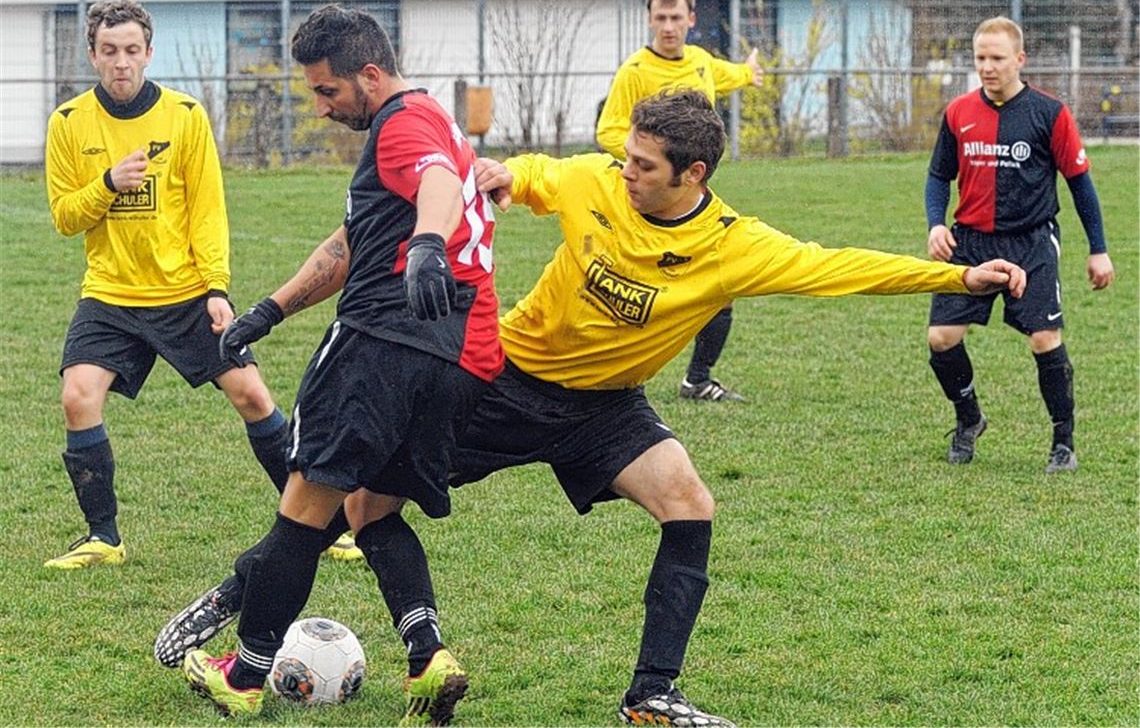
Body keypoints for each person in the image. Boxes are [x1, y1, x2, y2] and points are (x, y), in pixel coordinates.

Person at [159, 89, 1025, 727]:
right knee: (357, 505)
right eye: (625, 158)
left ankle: (651, 695)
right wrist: (494, 176)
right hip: (505, 383)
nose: (625, 173)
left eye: (643, 167)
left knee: (690, 501)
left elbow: (842, 266)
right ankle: (244, 598)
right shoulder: (595, 183)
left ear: (692, 174)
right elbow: (533, 176)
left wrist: (957, 276)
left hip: (607, 407)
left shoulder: (734, 247)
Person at [175, 4, 502, 722]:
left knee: (304, 509)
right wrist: (271, 309)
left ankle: (247, 671)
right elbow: (356, 237)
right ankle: (428, 655)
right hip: (454, 361)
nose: (321, 107)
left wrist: (424, 245)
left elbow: (440, 190)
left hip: (379, 345)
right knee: (369, 509)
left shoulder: (402, 125)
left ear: (371, 75)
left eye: (327, 91)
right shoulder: (434, 120)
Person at [39, 0, 361, 569]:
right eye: (109, 51)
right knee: (77, 396)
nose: (121, 63)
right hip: (110, 296)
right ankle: (103, 537)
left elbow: (207, 211)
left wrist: (216, 287)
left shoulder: (184, 115)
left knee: (254, 396)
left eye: (132, 51)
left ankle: (328, 526)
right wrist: (109, 183)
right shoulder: (68, 124)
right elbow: (66, 217)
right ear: (92, 54)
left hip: (187, 293)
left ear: (148, 53)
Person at [924, 16, 1114, 472]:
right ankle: (969, 419)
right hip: (970, 239)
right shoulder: (958, 113)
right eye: (980, 59)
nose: (987, 68)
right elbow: (937, 176)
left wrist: (1099, 248)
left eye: (997, 59)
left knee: (1045, 339)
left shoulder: (1050, 113)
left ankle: (1063, 443)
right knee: (941, 338)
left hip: (1031, 240)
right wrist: (936, 224)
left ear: (1019, 60)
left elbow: (1080, 185)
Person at [596, 0, 765, 403]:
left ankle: (697, 379)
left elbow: (724, 76)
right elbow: (608, 129)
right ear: (650, 19)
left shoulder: (701, 62)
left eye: (676, 18)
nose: (668, 26)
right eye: (660, 18)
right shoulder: (635, 72)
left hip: (692, 202)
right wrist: (654, 160)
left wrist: (748, 72)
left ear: (691, 19)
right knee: (628, 291)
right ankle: (606, 377)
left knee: (721, 287)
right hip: (645, 203)